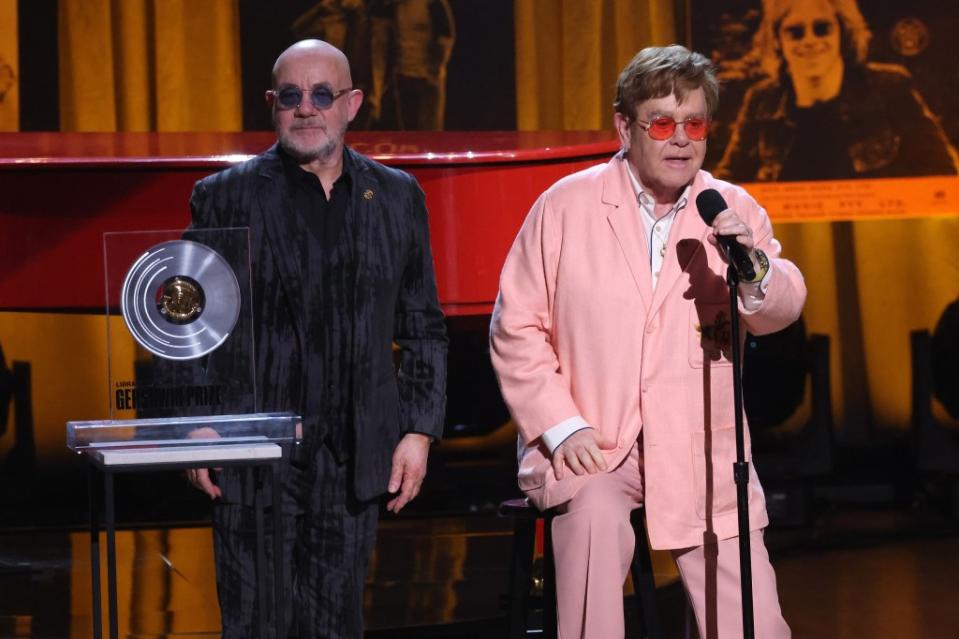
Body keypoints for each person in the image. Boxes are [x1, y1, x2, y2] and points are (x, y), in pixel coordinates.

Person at [490, 45, 806, 638]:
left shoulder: (729, 208)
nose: (680, 139)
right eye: (661, 123)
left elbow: (781, 308)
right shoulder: (564, 206)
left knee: (756, 625)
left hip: (700, 451)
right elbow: (515, 326)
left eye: (694, 123)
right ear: (623, 127)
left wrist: (753, 266)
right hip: (595, 445)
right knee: (592, 532)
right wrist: (561, 425)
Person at [185, 39, 447, 637]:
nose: (307, 109)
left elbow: (423, 327)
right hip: (253, 456)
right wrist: (196, 425)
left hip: (355, 455)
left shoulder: (399, 196)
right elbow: (189, 322)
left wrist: (418, 431)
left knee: (335, 626)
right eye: (292, 97)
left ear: (351, 104)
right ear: (272, 106)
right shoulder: (223, 196)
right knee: (256, 626)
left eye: (322, 95)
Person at [715, 0, 958, 182]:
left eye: (822, 29)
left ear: (844, 33)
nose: (809, 41)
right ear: (778, 40)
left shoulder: (890, 87)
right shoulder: (761, 100)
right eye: (795, 32)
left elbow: (944, 173)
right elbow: (729, 180)